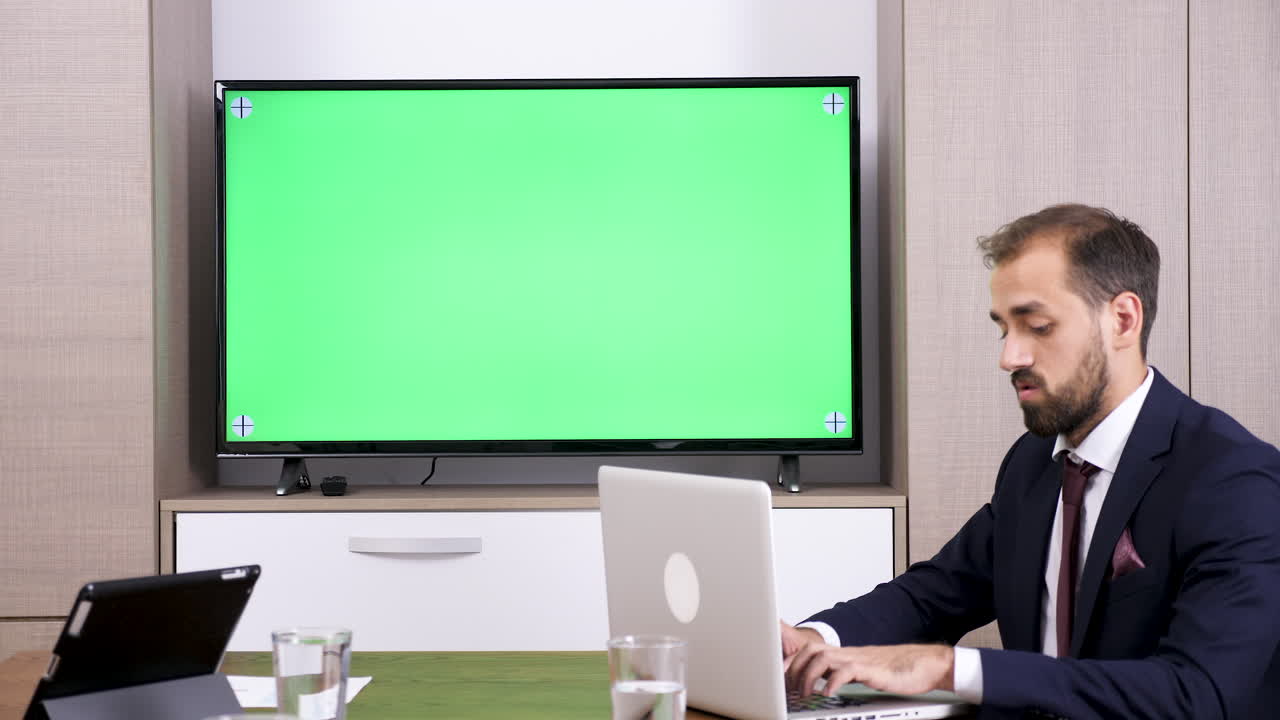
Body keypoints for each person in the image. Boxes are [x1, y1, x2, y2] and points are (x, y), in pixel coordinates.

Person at [781, 204, 1280, 719]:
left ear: (1123, 319)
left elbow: (1197, 694)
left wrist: (952, 669)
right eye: (1004, 328)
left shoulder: (1234, 479)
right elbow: (937, 593)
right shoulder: (1035, 460)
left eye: (1037, 326)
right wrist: (812, 641)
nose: (1010, 357)